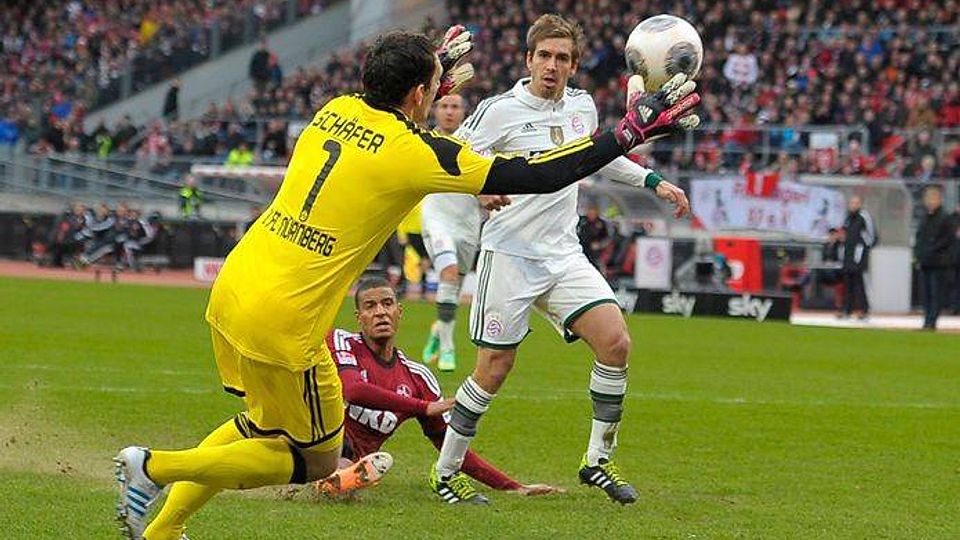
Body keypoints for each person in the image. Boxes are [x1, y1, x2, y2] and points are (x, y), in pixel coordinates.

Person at [112, 26, 701, 540]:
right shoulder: (414, 151)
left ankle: (165, 528)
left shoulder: (335, 108)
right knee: (313, 459)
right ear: (420, 94)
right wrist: (625, 133)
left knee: (260, 426)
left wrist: (428, 81)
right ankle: (153, 468)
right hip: (285, 318)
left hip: (237, 286)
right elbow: (539, 174)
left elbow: (389, 119)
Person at [431, 14, 696, 506]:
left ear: (574, 66)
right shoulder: (497, 110)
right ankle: (446, 472)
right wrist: (480, 191)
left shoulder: (582, 106)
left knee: (616, 343)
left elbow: (601, 156)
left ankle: (596, 461)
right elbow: (448, 160)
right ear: (528, 59)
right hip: (508, 255)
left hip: (562, 254)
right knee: (493, 369)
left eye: (562, 58)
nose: (551, 66)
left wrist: (654, 182)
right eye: (544, 56)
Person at [313, 278, 562, 498]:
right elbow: (354, 390)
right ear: (359, 317)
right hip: (314, 437)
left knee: (350, 461)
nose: (380, 313)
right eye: (370, 306)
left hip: (351, 459)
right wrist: (424, 407)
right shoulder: (340, 341)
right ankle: (330, 473)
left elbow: (450, 447)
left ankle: (337, 480)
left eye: (387, 304)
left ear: (399, 312)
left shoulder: (418, 379)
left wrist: (512, 487)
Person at [420, 93, 484, 371]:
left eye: (455, 106)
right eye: (444, 106)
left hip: (468, 223)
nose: (449, 111)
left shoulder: (477, 144)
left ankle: (438, 331)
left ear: (463, 112)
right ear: (435, 110)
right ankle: (448, 349)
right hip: (436, 219)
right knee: (447, 274)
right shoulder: (424, 143)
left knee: (453, 290)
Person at [913, 186, 954, 329]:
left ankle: (932, 321)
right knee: (926, 293)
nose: (930, 202)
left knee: (935, 292)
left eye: (933, 198)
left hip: (939, 262)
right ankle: (926, 320)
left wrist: (932, 250)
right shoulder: (924, 218)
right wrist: (918, 253)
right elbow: (919, 237)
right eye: (928, 199)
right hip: (925, 261)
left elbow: (947, 239)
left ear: (939, 200)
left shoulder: (945, 218)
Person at [840, 195, 877, 319]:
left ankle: (863, 310)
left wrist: (862, 248)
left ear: (860, 204)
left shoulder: (864, 217)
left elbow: (872, 236)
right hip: (847, 255)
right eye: (851, 202)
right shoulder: (847, 218)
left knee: (859, 284)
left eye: (856, 203)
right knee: (848, 284)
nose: (853, 205)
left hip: (859, 256)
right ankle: (847, 310)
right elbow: (844, 234)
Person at [577, 203, 611, 270]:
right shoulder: (582, 221)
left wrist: (600, 245)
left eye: (593, 213)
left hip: (594, 251)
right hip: (582, 248)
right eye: (589, 213)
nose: (591, 215)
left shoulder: (600, 223)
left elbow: (606, 238)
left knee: (594, 266)